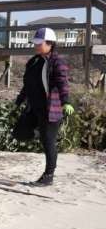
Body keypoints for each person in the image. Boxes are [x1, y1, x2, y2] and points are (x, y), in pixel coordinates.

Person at [14, 27, 74, 186]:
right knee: (20, 133)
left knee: (48, 141)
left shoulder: (57, 62)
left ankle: (48, 175)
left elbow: (63, 83)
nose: (37, 46)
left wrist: (66, 101)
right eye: (36, 43)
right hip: (34, 108)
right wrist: (19, 100)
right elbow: (27, 85)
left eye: (40, 43)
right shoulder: (33, 61)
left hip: (51, 109)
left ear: (50, 44)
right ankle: (39, 133)